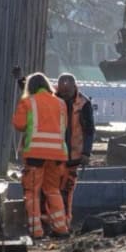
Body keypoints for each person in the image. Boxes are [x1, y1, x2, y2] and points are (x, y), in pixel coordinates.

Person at [12, 73, 70, 239]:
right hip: (58, 154)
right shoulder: (61, 103)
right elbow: (63, 126)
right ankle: (61, 229)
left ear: (30, 87)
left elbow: (19, 124)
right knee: (53, 190)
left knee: (32, 192)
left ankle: (36, 231)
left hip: (36, 155)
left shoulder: (28, 102)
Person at [56, 73, 96, 226]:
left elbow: (89, 130)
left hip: (73, 156)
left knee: (66, 190)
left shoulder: (83, 104)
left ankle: (64, 222)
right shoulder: (52, 100)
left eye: (67, 91)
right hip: (54, 155)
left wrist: (86, 152)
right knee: (53, 190)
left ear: (74, 87)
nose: (64, 94)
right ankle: (57, 222)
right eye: (62, 90)